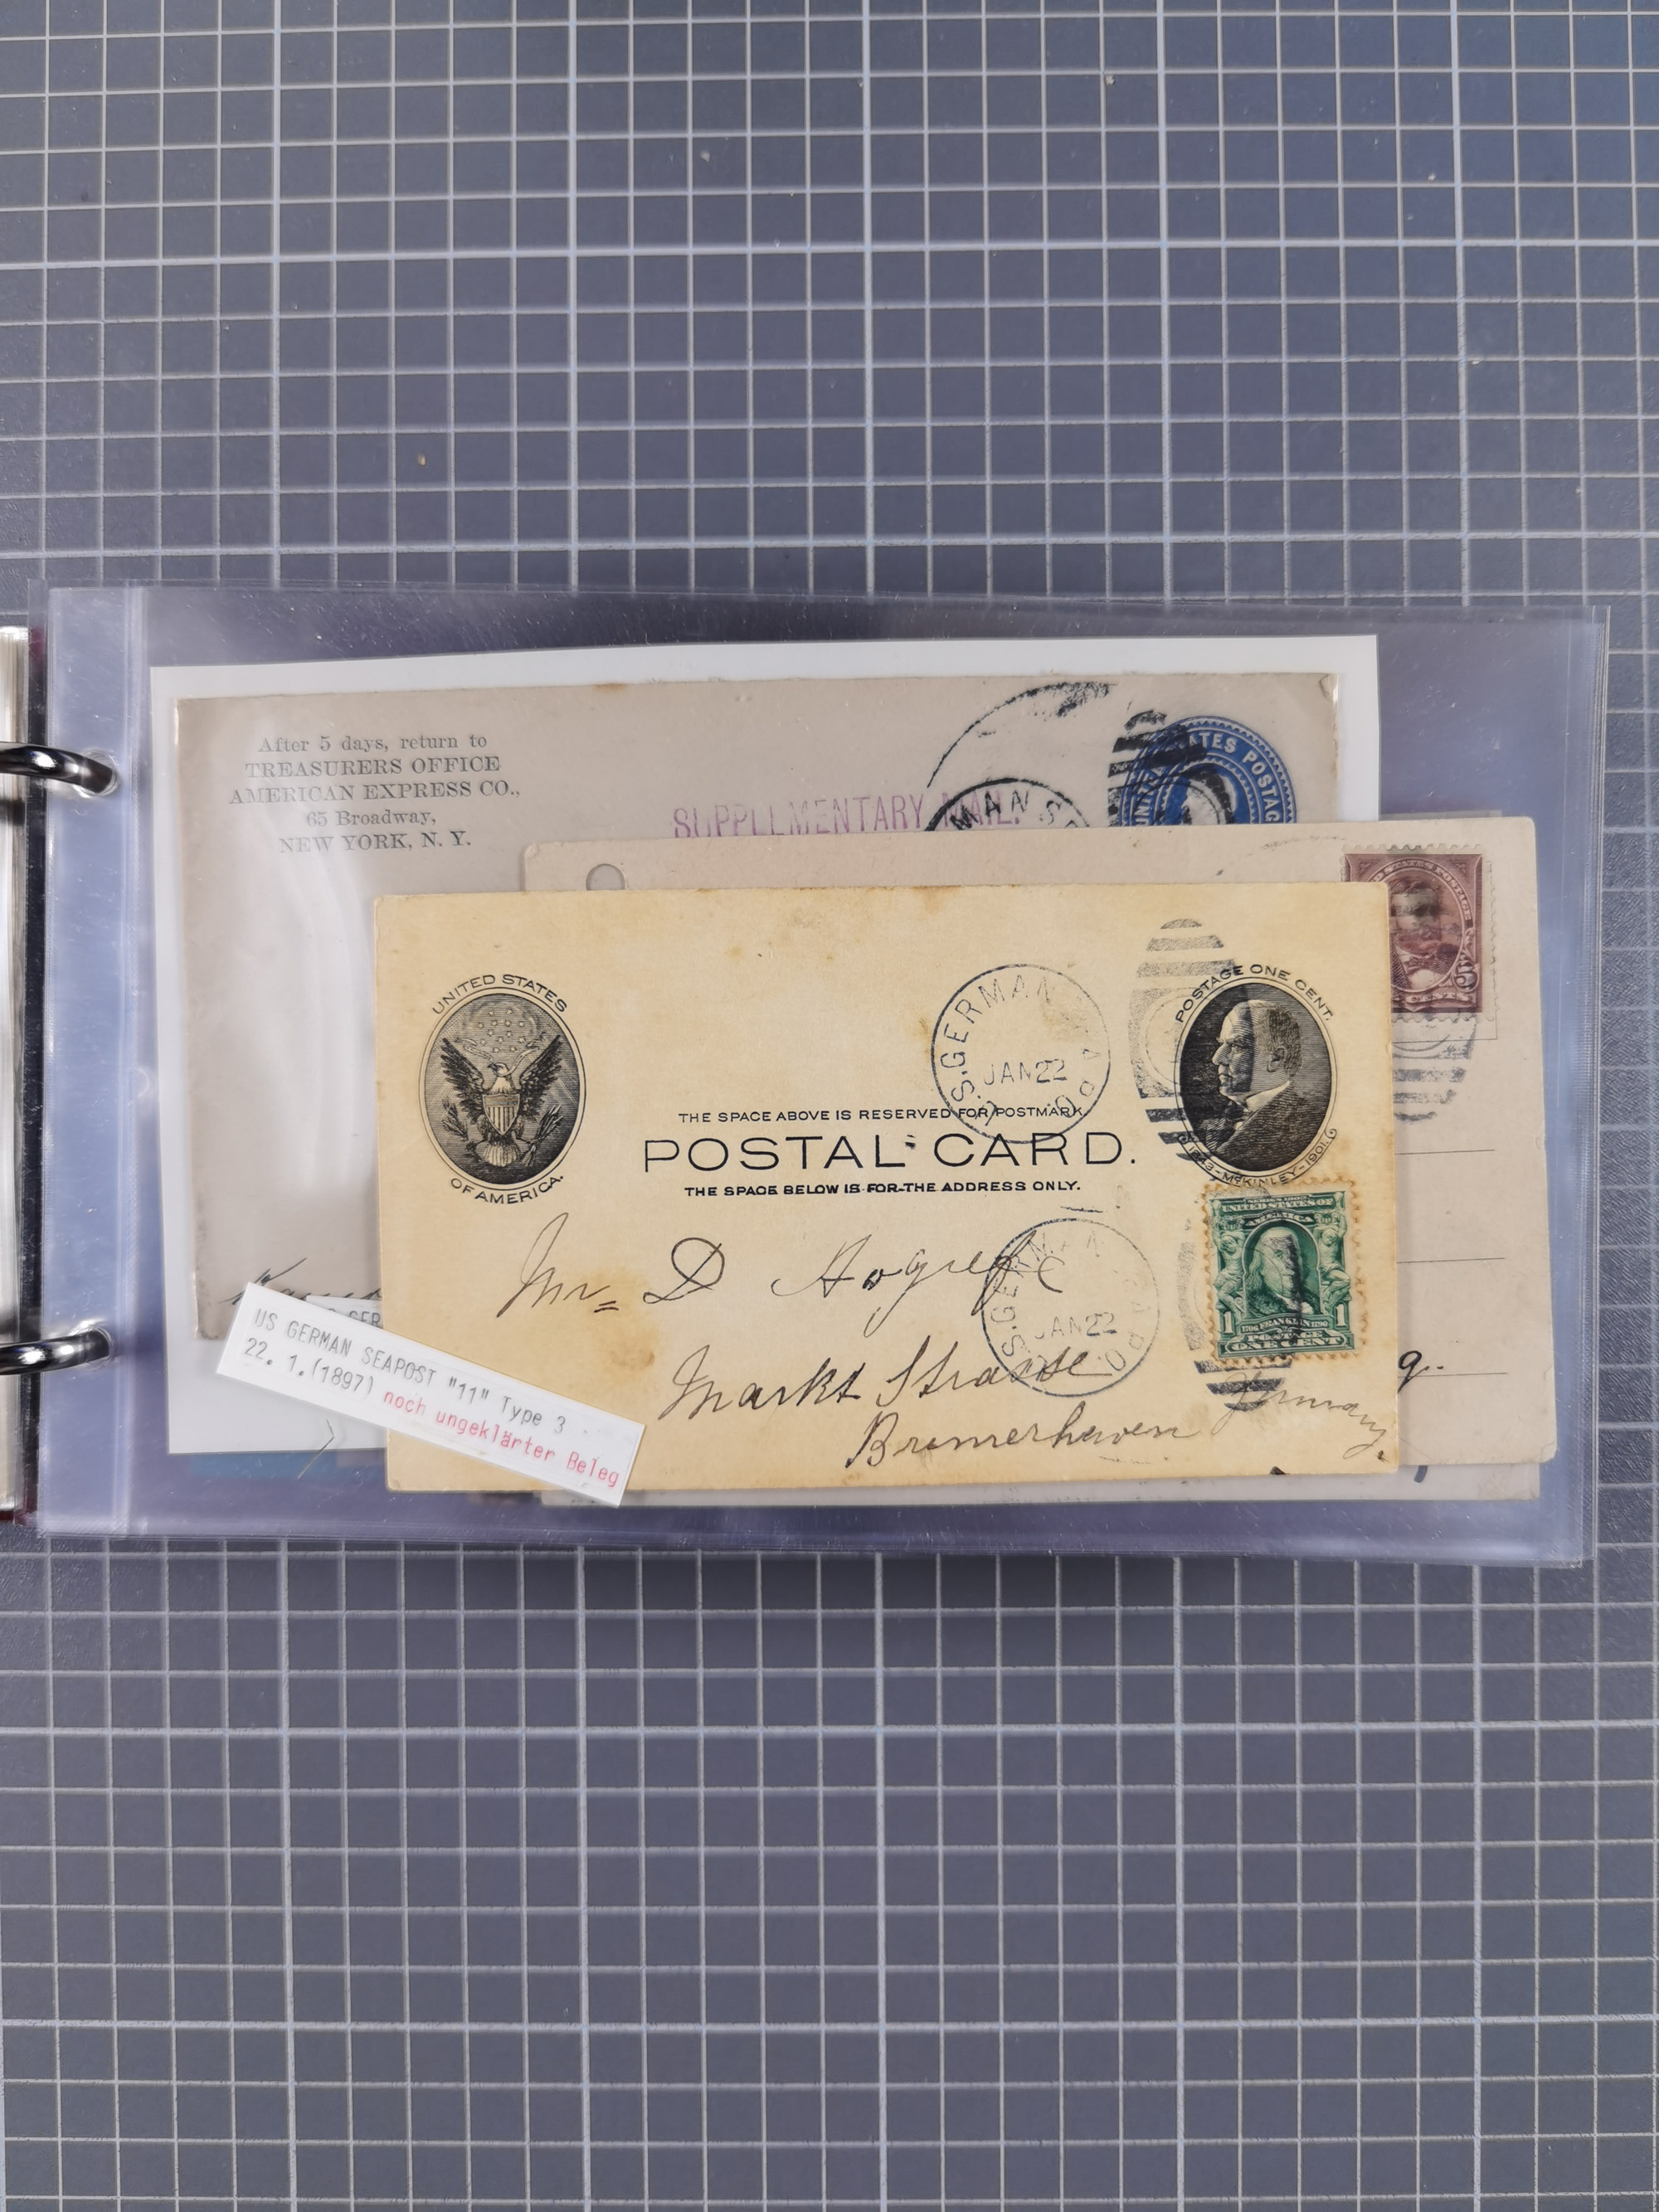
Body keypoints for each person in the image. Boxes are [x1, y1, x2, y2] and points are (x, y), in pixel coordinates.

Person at [1200, 993, 1326, 1171]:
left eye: (1236, 1045)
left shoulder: (1310, 1123)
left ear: (1276, 1058)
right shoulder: (1217, 1119)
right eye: (1222, 1044)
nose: (1217, 1058)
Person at [1246, 1225, 1319, 1320]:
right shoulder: (1249, 1309)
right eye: (1279, 1255)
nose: (1291, 1263)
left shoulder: (1316, 1303)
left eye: (1294, 1254)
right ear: (1261, 1267)